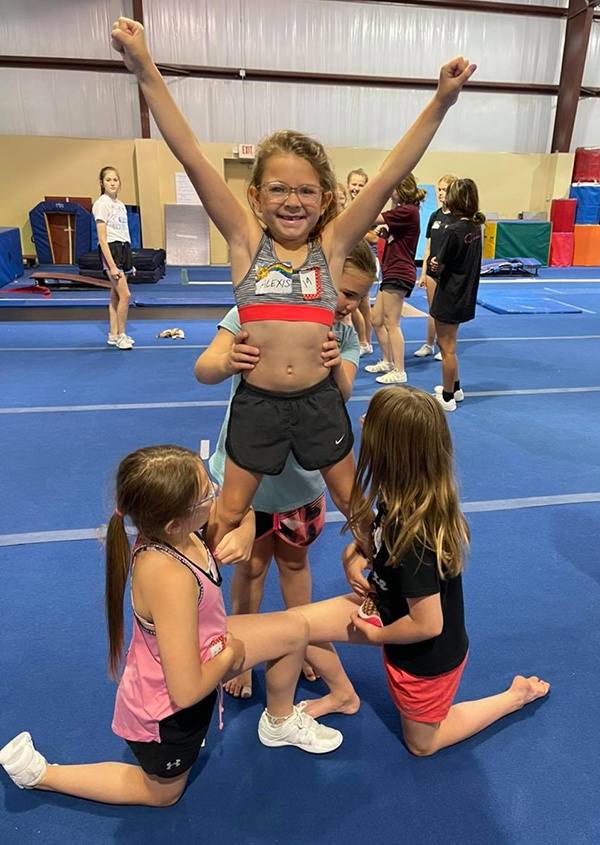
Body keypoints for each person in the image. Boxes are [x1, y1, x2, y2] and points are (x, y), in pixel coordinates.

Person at [111, 15, 476, 557]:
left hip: (318, 402)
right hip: (256, 405)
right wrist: (144, 68)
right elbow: (189, 151)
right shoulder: (242, 242)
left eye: (307, 190)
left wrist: (441, 102)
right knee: (228, 512)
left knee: (354, 504)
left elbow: (387, 175)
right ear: (256, 196)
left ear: (326, 200)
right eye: (278, 188)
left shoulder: (329, 250)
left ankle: (384, 578)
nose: (292, 200)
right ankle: (200, 594)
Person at [0, 445, 349, 807]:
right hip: (170, 710)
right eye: (207, 493)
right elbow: (184, 691)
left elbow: (240, 510)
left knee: (293, 630)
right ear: (175, 521)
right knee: (162, 795)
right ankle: (42, 775)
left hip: (205, 647)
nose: (217, 493)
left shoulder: (182, 531)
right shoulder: (170, 577)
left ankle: (279, 724)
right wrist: (231, 656)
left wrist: (246, 531)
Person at [294, 386, 550, 750]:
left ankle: (514, 697)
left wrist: (376, 637)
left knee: (423, 745)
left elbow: (429, 624)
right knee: (298, 626)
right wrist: (354, 553)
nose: (362, 423)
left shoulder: (416, 534)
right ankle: (342, 696)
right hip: (388, 612)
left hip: (425, 655)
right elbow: (384, 544)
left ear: (388, 450)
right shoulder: (401, 496)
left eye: (371, 423)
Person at [195, 241, 377, 699]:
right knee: (250, 570)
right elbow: (204, 367)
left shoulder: (347, 335)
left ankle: (305, 644)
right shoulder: (256, 311)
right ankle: (239, 651)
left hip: (304, 484)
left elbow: (345, 394)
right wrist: (227, 360)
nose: (343, 303)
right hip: (248, 481)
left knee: (295, 566)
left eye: (355, 297)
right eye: (339, 290)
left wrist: (336, 365)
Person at [429, 178, 485, 411]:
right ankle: (457, 387)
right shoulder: (476, 227)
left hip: (450, 292)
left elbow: (438, 264)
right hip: (465, 292)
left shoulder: (454, 231)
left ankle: (449, 397)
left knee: (447, 349)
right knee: (451, 344)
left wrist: (434, 264)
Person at [365, 173, 425, 384]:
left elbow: (373, 217)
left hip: (400, 272)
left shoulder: (408, 211)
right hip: (391, 270)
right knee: (377, 319)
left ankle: (400, 370)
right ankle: (387, 361)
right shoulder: (402, 212)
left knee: (392, 322)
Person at [414, 172, 459, 360]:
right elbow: (428, 247)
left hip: (449, 272)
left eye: (445, 190)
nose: (440, 193)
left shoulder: (458, 218)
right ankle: (429, 343)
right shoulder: (435, 215)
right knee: (432, 309)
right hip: (432, 271)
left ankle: (445, 346)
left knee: (446, 311)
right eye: (439, 189)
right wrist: (423, 273)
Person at [92, 166, 134, 351]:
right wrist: (112, 265)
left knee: (116, 296)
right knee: (125, 295)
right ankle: (122, 335)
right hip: (111, 250)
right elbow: (102, 238)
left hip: (123, 248)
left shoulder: (120, 205)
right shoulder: (102, 204)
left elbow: (124, 233)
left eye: (115, 179)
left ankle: (113, 334)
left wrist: (128, 262)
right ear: (102, 183)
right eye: (108, 180)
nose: (112, 183)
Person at [346, 168, 376, 355]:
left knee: (360, 303)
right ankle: (365, 341)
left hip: (366, 259)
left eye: (360, 185)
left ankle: (365, 341)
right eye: (354, 184)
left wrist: (351, 230)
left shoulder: (370, 207)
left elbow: (375, 237)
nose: (356, 188)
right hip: (351, 257)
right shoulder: (349, 207)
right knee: (359, 303)